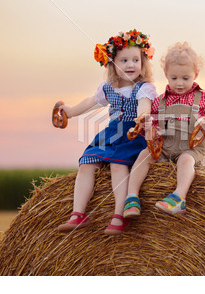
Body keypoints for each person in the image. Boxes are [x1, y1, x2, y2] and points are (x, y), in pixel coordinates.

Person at [55, 29, 157, 234]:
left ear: (143, 63)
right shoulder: (108, 87)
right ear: (112, 64)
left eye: (135, 60)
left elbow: (144, 106)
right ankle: (78, 214)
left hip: (133, 134)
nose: (130, 65)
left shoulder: (144, 88)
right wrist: (71, 112)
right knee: (86, 162)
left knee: (117, 165)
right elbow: (90, 103)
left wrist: (143, 117)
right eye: (124, 60)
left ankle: (119, 215)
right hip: (112, 133)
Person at [123, 42, 205, 218]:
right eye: (174, 78)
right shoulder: (160, 101)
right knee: (143, 155)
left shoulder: (203, 98)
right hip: (164, 146)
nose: (179, 83)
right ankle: (132, 197)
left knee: (185, 161)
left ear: (196, 75)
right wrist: (148, 127)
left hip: (190, 147)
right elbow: (152, 125)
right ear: (166, 75)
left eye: (185, 78)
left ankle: (179, 197)